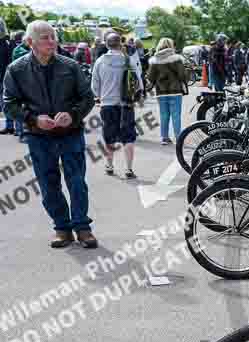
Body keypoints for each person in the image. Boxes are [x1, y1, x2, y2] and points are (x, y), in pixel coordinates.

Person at [3, 20, 96, 248]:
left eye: (53, 36)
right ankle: (62, 228)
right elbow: (8, 103)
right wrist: (33, 119)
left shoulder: (70, 66)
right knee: (48, 184)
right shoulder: (16, 69)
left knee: (77, 182)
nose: (52, 41)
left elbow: (87, 97)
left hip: (71, 133)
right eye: (45, 37)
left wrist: (73, 115)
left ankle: (82, 227)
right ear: (30, 42)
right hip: (38, 137)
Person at [91, 32, 143, 179]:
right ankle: (129, 169)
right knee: (128, 136)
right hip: (126, 103)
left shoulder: (100, 61)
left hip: (107, 104)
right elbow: (138, 82)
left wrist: (100, 96)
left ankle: (109, 165)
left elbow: (94, 85)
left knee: (109, 136)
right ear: (120, 44)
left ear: (106, 44)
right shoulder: (128, 60)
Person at [148, 37, 187, 146]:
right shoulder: (177, 59)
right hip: (175, 91)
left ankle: (164, 138)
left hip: (161, 92)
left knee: (164, 115)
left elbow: (150, 78)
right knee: (176, 115)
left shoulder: (155, 60)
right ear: (171, 46)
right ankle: (178, 138)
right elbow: (182, 75)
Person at [0, 19, 15, 135]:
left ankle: (11, 126)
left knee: (6, 103)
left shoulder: (7, 43)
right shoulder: (9, 42)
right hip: (4, 76)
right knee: (5, 103)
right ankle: (10, 126)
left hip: (4, 77)